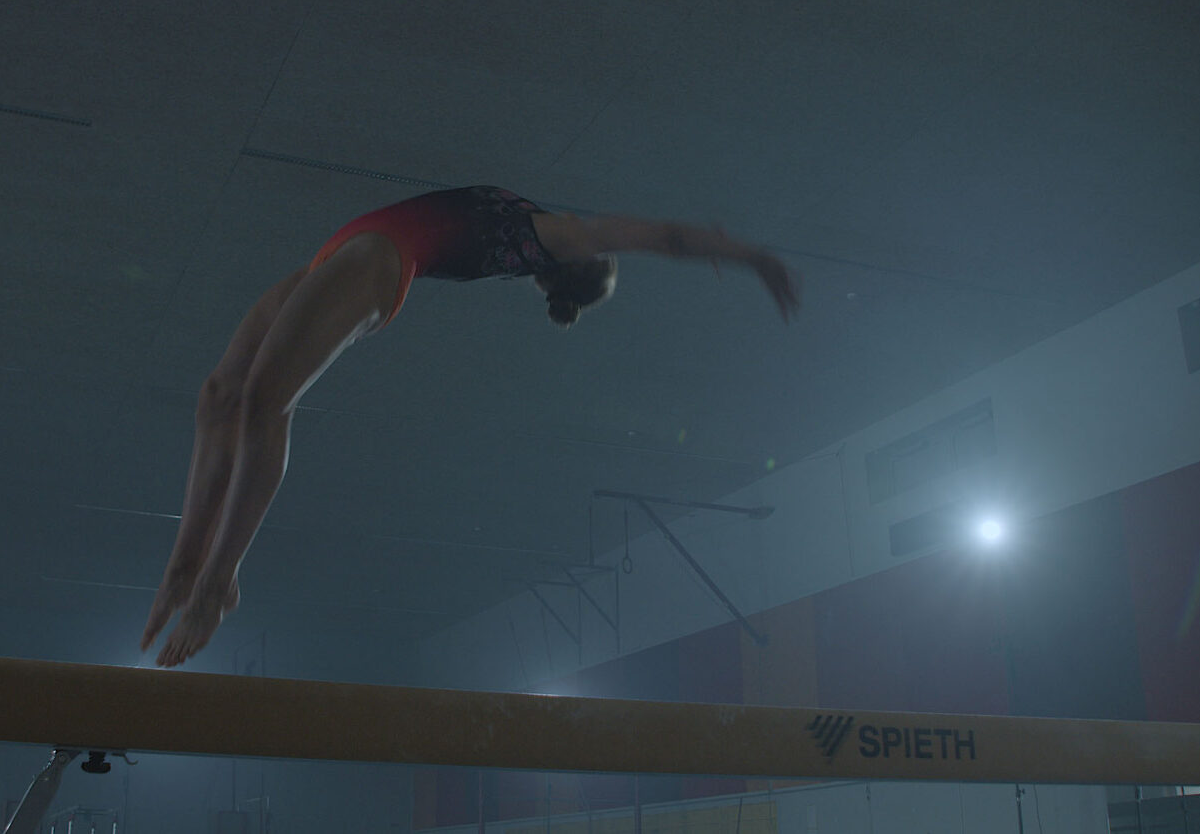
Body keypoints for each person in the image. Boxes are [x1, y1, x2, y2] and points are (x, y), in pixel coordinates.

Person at [140, 186, 800, 667]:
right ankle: (185, 565)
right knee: (220, 396)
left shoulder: (558, 235)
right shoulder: (531, 233)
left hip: (375, 259)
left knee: (265, 400)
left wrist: (744, 254)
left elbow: (657, 236)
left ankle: (218, 580)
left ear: (578, 263)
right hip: (344, 253)